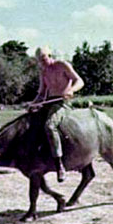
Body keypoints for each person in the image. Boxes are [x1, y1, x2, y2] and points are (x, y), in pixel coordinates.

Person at [29, 46, 84, 182]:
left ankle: (60, 165)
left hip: (62, 103)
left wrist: (71, 90)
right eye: (40, 61)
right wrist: (33, 104)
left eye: (44, 59)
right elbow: (42, 93)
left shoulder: (63, 65)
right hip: (49, 102)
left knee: (50, 126)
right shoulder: (43, 72)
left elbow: (80, 81)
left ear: (50, 55)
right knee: (30, 123)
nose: (43, 63)